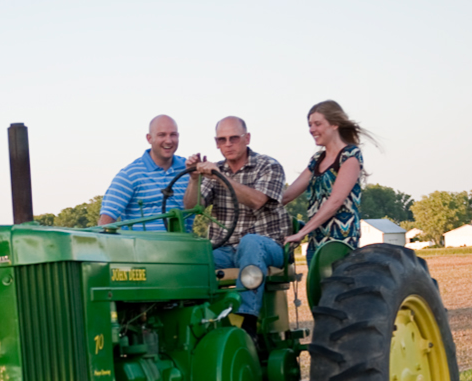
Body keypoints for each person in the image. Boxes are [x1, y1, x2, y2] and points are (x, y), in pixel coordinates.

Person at [183, 116, 289, 335]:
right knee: (193, 257)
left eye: (233, 138)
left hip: (267, 246)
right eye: (222, 140)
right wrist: (194, 179)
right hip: (225, 249)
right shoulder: (215, 171)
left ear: (247, 138)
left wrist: (219, 176)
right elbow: (193, 206)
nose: (228, 144)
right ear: (216, 143)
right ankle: (197, 322)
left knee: (250, 243)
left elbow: (257, 200)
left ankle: (247, 323)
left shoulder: (268, 165)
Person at [282, 100, 374, 264]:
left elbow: (335, 202)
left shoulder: (350, 156)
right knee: (317, 290)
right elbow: (288, 195)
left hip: (339, 243)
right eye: (310, 125)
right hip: (316, 242)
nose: (312, 130)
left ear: (335, 124)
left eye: (317, 124)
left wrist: (301, 233)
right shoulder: (317, 159)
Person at [98, 115, 190, 231]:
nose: (168, 140)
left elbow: (198, 206)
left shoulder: (188, 170)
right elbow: (106, 220)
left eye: (173, 135)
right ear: (149, 138)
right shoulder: (130, 175)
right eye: (162, 135)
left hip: (184, 247)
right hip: (142, 247)